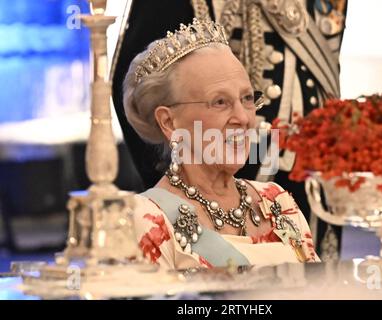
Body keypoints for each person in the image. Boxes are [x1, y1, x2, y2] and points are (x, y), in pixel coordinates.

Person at [113, 0, 347, 260]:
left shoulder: (278, 202)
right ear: (169, 122)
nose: (243, 118)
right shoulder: (146, 220)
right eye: (220, 102)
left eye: (248, 99)